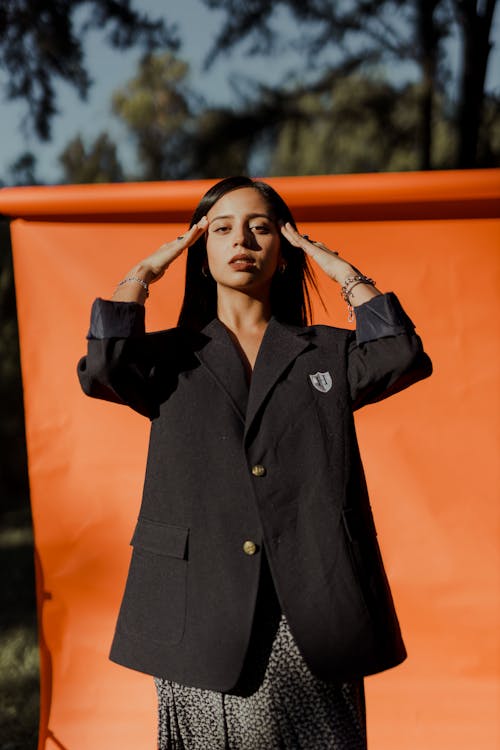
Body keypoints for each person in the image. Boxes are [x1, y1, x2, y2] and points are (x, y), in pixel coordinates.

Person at [77, 175, 432, 750]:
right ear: (200, 251)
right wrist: (140, 277)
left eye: (261, 228)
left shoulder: (327, 351)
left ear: (285, 251)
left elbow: (401, 355)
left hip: (315, 602)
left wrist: (341, 271)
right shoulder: (167, 357)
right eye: (221, 229)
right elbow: (103, 368)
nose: (242, 239)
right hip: (201, 605)